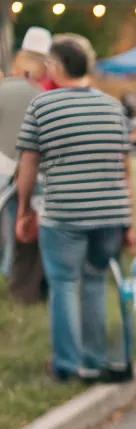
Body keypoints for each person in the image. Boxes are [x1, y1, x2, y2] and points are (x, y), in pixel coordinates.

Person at [15, 33, 136, 382]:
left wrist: (24, 210)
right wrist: (129, 221)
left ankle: (68, 364)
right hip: (110, 215)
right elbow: (126, 170)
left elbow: (29, 165)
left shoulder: (43, 106)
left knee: (65, 284)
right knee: (95, 282)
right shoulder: (114, 108)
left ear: (55, 66)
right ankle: (95, 358)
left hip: (63, 212)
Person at [0, 31, 51, 284]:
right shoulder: (41, 96)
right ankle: (11, 271)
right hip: (27, 170)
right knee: (18, 224)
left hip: (4, 166)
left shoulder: (3, 89)